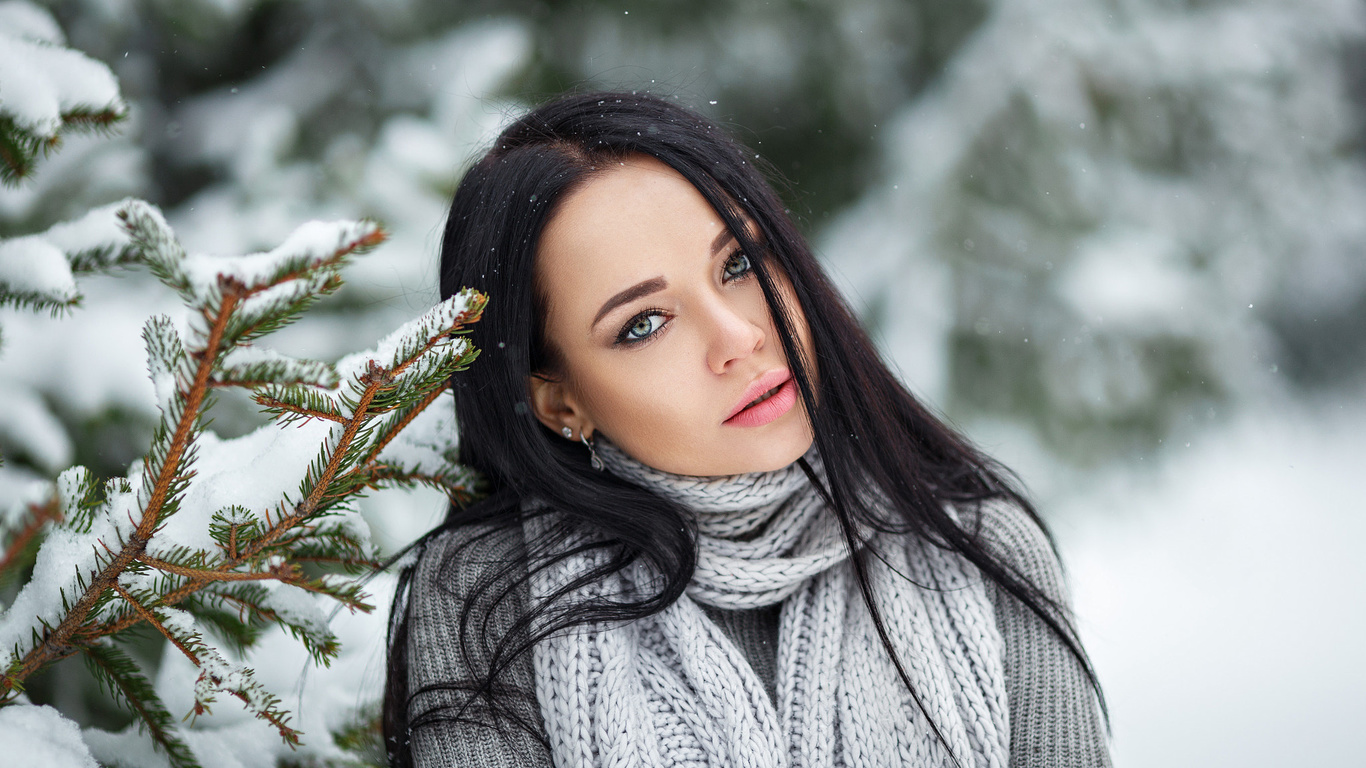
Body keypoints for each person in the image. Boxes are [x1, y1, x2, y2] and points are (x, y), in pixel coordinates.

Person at [383, 91, 1111, 768]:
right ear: (558, 402)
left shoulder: (976, 546)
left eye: (738, 263)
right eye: (644, 324)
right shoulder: (488, 601)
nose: (738, 336)